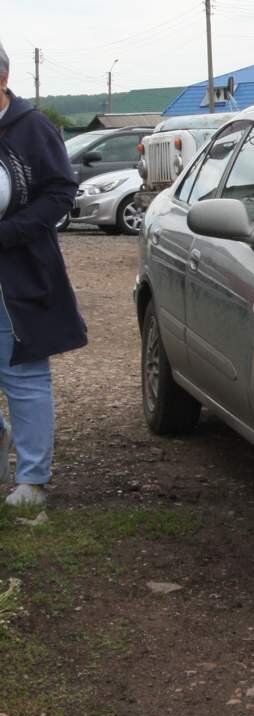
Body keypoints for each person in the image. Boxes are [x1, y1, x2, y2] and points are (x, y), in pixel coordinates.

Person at [0, 41, 87, 506]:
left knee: (24, 374)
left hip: (19, 274)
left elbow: (60, 193)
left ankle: (32, 479)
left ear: (1, 80)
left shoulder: (33, 129)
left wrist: (10, 233)